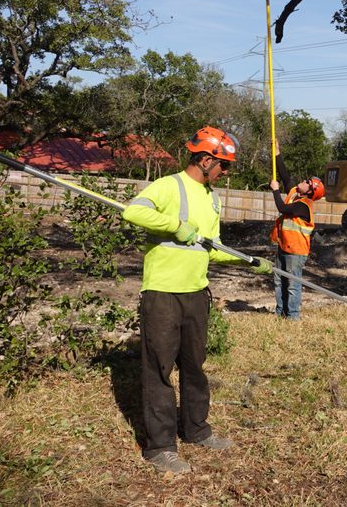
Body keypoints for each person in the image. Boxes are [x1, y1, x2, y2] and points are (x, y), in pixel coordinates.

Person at [121, 126, 272, 475]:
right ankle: (159, 447)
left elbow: (212, 250)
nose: (226, 173)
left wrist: (247, 261)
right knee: (159, 368)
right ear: (205, 160)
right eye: (224, 166)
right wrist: (175, 225)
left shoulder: (212, 197)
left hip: (196, 293)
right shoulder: (170, 186)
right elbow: (133, 212)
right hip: (162, 293)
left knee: (194, 365)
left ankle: (196, 430)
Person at [269, 143, 325, 320]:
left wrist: (275, 190)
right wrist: (277, 153)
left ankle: (293, 316)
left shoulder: (303, 206)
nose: (304, 181)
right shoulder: (295, 192)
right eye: (307, 180)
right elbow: (285, 175)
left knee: (292, 284)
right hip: (284, 246)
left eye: (308, 183)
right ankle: (280, 312)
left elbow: (282, 207)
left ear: (310, 192)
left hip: (296, 251)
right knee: (279, 280)